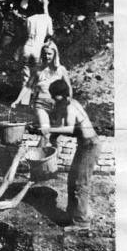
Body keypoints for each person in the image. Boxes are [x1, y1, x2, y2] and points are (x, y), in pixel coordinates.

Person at [47, 79, 101, 226]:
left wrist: (49, 130)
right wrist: (53, 138)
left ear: (63, 95)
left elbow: (70, 129)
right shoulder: (66, 103)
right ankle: (73, 215)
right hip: (84, 145)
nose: (53, 99)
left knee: (80, 183)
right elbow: (61, 125)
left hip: (90, 146)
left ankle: (82, 222)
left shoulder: (71, 106)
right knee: (72, 180)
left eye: (55, 96)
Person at [12, 40, 72, 142]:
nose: (47, 56)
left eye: (49, 54)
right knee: (45, 131)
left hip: (57, 105)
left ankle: (49, 156)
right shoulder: (37, 70)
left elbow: (68, 87)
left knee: (55, 137)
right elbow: (27, 87)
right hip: (40, 104)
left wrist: (69, 100)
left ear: (54, 54)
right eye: (44, 54)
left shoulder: (61, 70)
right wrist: (17, 101)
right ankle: (39, 156)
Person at [13, 0, 53, 92]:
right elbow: (49, 34)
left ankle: (24, 99)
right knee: (36, 75)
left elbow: (23, 31)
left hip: (27, 48)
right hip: (38, 48)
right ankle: (34, 99)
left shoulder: (29, 19)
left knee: (26, 74)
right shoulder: (46, 18)